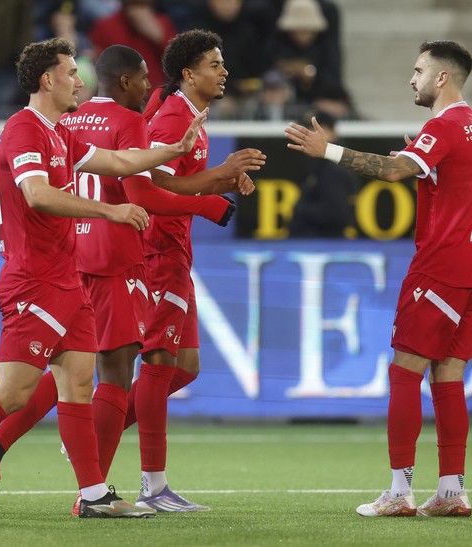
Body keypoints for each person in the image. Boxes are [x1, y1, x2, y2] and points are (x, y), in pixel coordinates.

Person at [0, 37, 208, 520]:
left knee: (79, 385)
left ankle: (94, 495)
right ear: (48, 80)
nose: (80, 82)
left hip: (68, 279)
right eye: (71, 73)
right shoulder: (23, 129)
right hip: (33, 279)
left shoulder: (60, 132)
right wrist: (110, 211)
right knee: (14, 391)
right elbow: (38, 194)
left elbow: (118, 161)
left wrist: (173, 148)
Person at [285, 40, 472, 517]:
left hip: (442, 267)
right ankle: (451, 493)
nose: (412, 79)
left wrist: (327, 150)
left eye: (419, 70)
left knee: (404, 372)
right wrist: (426, 169)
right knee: (449, 378)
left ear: (442, 77)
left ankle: (399, 492)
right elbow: (454, 181)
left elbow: (394, 171)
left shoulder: (444, 126)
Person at [123, 29, 264, 512]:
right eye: (214, 64)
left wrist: (221, 179)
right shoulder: (172, 117)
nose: (225, 72)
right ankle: (153, 488)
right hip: (159, 251)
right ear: (188, 73)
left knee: (186, 366)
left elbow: (181, 180)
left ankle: (99, 427)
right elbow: (152, 184)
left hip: (177, 250)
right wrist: (215, 181)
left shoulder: (191, 115)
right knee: (160, 362)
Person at [288, 110, 360, 238]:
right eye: (307, 131)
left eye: (318, 130)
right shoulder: (317, 165)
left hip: (325, 244)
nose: (311, 136)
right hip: (313, 243)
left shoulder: (334, 168)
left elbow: (336, 214)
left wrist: (300, 210)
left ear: (334, 134)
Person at [89, 0, 177, 90]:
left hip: (158, 91)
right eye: (136, 6)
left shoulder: (163, 23)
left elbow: (176, 63)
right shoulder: (105, 26)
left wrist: (159, 37)